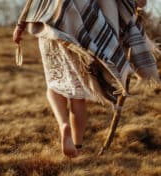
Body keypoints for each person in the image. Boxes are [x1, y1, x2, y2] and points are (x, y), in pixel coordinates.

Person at [13, 0, 158, 158]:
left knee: (53, 84)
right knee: (78, 93)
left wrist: (20, 26)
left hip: (51, 26)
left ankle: (63, 125)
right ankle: (77, 146)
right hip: (78, 30)